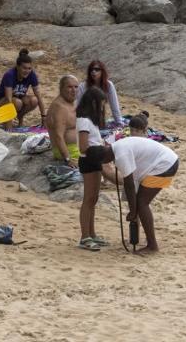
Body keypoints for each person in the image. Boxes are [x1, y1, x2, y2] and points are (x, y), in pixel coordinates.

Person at [81, 131, 179, 255]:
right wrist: (133, 210)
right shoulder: (116, 147)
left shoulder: (121, 155)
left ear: (103, 159)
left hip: (165, 164)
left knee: (142, 203)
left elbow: (129, 185)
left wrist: (133, 212)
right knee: (140, 203)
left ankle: (152, 246)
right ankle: (149, 242)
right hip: (167, 160)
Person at [75, 87, 117, 251]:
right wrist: (102, 151)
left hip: (95, 159)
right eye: (100, 104)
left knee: (94, 199)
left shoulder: (91, 120)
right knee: (88, 199)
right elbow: (84, 146)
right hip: (89, 160)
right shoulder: (84, 120)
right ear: (93, 102)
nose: (102, 108)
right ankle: (85, 236)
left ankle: (92, 234)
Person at [0, 49, 45, 126]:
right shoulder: (9, 75)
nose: (27, 71)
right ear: (17, 67)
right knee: (17, 103)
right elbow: (8, 99)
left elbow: (38, 95)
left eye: (29, 68)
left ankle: (20, 117)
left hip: (18, 99)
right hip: (2, 102)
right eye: (24, 68)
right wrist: (9, 121)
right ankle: (6, 119)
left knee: (34, 100)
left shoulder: (31, 75)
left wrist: (44, 116)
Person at [74, 60, 123, 127]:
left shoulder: (108, 85)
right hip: (85, 117)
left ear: (102, 71)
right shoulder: (83, 86)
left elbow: (114, 105)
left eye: (97, 69)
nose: (93, 72)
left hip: (100, 115)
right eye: (91, 70)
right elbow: (78, 105)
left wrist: (119, 123)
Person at [44, 75, 80, 165]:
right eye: (69, 87)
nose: (74, 90)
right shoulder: (60, 108)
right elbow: (58, 136)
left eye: (76, 87)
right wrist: (68, 159)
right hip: (70, 151)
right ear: (61, 88)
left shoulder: (71, 102)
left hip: (77, 147)